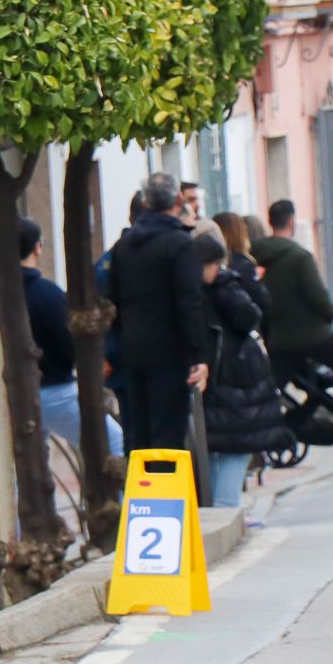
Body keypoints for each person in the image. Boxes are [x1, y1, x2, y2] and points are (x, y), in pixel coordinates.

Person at [0, 217, 124, 459]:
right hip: (56, 391)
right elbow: (71, 347)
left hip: (13, 392)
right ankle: (120, 497)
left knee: (24, 461)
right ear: (37, 247)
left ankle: (19, 498)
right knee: (114, 445)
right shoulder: (49, 294)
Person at [253, 199, 333, 442]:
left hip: (279, 339)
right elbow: (318, 297)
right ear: (292, 221)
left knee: (271, 388)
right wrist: (329, 316)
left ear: (270, 222)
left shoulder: (256, 257)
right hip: (314, 334)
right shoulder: (299, 257)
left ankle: (262, 431)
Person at [107, 172, 214, 456]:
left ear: (145, 204)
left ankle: (140, 497)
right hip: (169, 352)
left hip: (132, 350)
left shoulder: (123, 246)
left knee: (138, 434)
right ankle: (163, 497)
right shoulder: (179, 244)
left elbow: (113, 299)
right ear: (179, 201)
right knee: (167, 435)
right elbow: (189, 302)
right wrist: (198, 356)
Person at [196, 234, 291, 508]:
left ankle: (216, 509)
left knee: (214, 449)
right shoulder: (224, 285)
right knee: (237, 447)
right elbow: (250, 316)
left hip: (213, 380)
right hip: (234, 378)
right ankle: (225, 510)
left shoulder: (188, 290)